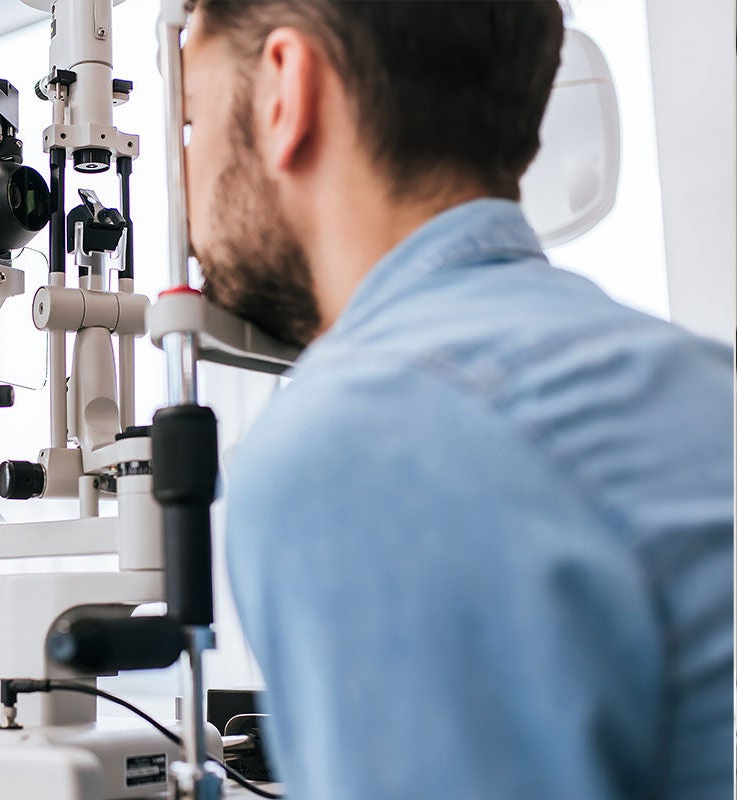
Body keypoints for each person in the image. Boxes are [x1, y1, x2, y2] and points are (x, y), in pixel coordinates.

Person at [181, 2, 733, 798]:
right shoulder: (697, 380)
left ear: (284, 91)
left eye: (192, 119)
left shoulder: (357, 443)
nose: (182, 178)